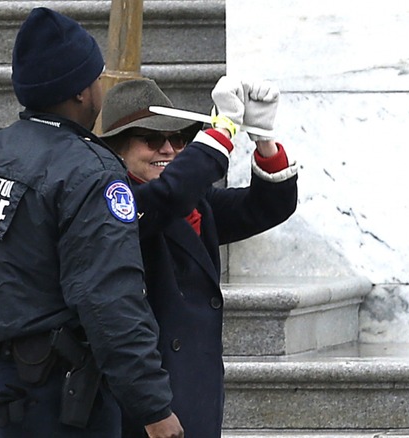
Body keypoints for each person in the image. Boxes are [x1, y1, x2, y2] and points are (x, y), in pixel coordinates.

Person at [0, 8, 184, 438]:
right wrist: (153, 408)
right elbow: (111, 297)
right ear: (83, 91)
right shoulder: (90, 170)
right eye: (98, 77)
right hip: (60, 396)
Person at [99, 77, 298, 438]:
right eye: (152, 139)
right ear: (119, 149)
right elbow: (166, 199)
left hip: (195, 389)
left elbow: (269, 206)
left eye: (179, 140)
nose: (169, 149)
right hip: (147, 400)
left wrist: (263, 138)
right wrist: (220, 134)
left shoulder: (196, 198)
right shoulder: (115, 202)